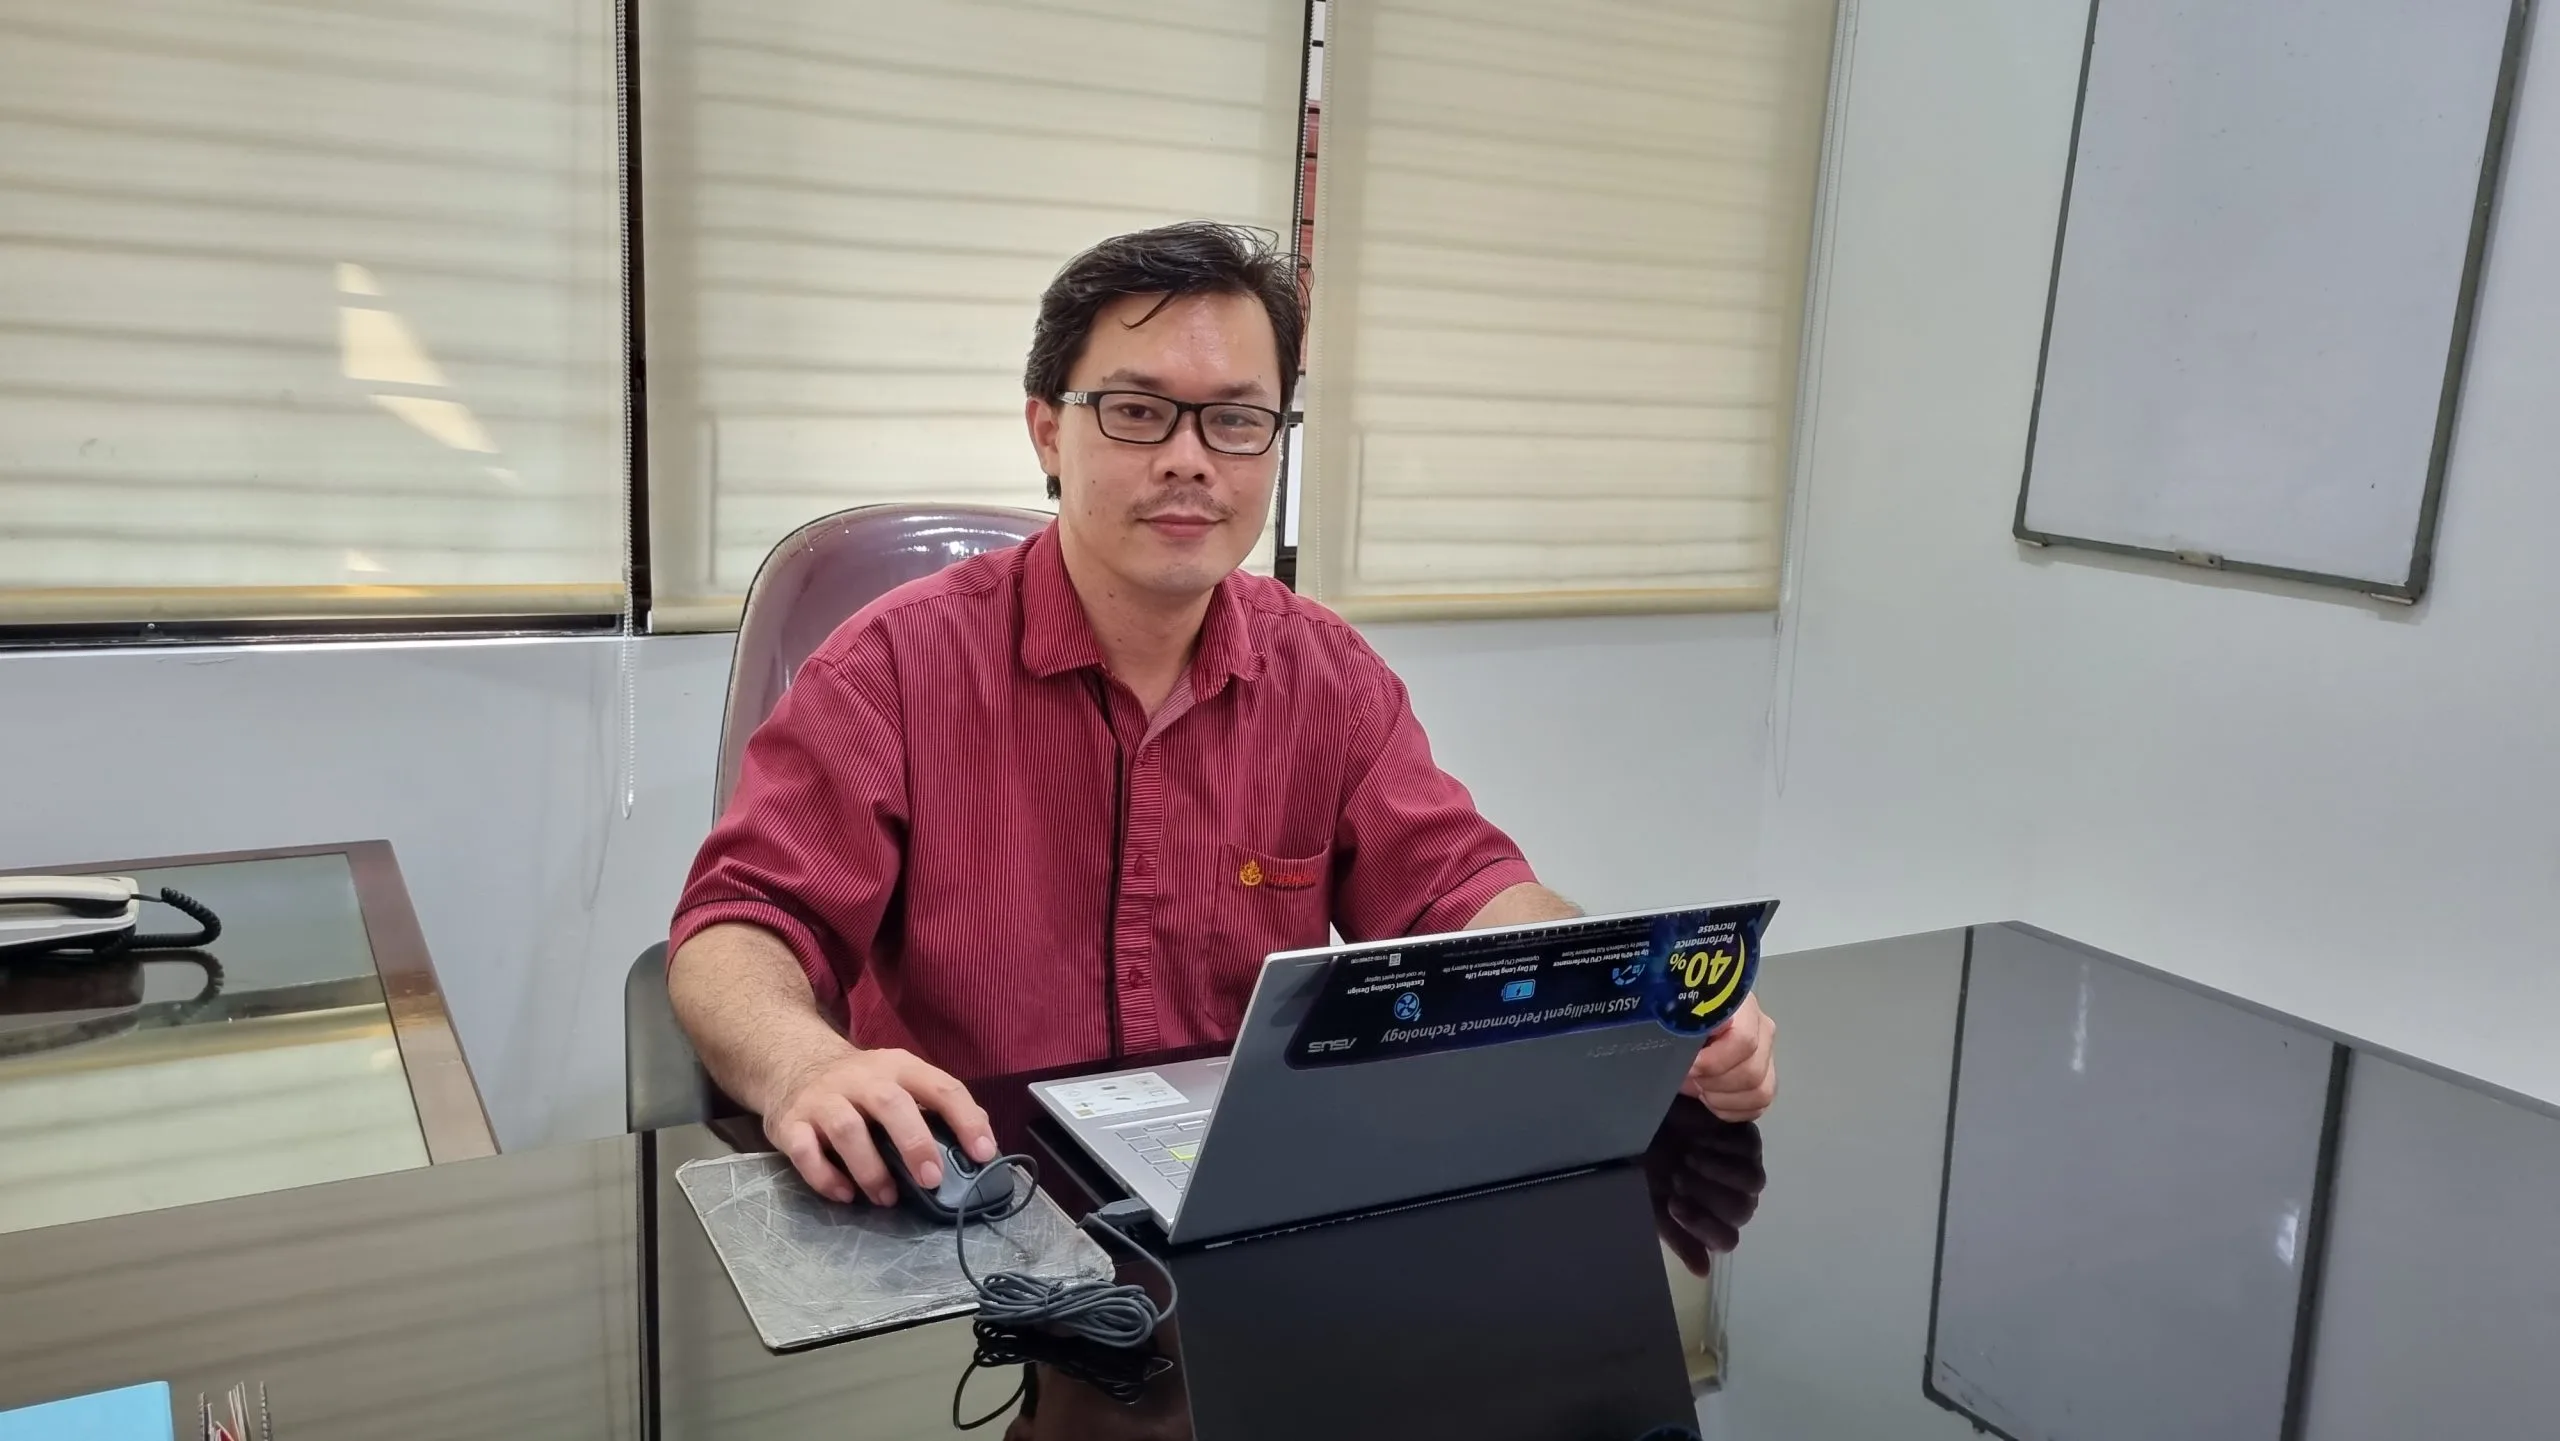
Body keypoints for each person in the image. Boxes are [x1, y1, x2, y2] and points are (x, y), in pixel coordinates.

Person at [666, 221, 1778, 1207]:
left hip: (1240, 1195)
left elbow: (1458, 888)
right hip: (969, 1191)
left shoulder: (1327, 677)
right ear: (1048, 430)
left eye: (1237, 420)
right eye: (1137, 412)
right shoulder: (891, 667)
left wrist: (1629, 1002)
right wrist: (805, 1064)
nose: (1189, 461)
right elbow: (742, 923)